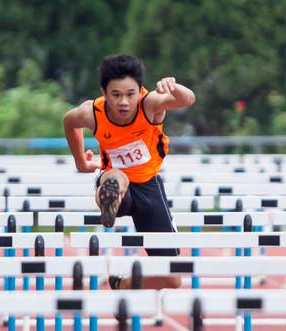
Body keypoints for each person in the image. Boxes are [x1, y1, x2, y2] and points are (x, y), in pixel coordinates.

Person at [63, 54, 195, 290]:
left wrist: (173, 88)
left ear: (140, 90)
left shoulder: (150, 104)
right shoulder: (92, 113)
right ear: (104, 92)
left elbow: (188, 100)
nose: (123, 102)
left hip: (149, 187)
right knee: (117, 177)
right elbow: (69, 121)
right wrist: (81, 161)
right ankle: (109, 200)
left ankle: (121, 283)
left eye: (130, 94)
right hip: (114, 181)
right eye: (116, 95)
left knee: (173, 278)